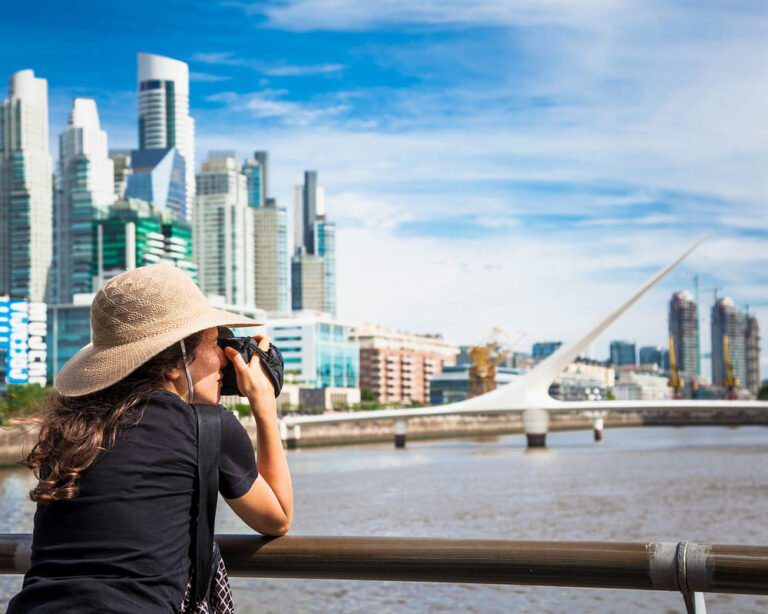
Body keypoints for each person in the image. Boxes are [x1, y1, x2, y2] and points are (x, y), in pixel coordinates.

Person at [7, 264, 293, 613]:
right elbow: (277, 517)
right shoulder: (205, 426)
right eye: (218, 342)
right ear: (173, 365)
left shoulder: (71, 428)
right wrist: (263, 404)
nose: (225, 358)